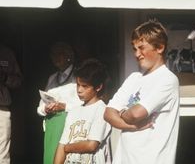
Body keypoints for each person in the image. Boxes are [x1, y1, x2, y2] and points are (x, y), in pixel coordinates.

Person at [104, 19, 180, 164]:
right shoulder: (134, 78)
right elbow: (108, 113)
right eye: (134, 48)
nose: (137, 54)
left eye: (141, 48)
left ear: (160, 48)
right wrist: (131, 125)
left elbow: (136, 113)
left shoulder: (168, 79)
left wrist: (121, 113)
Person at [54, 59, 112, 164]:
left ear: (98, 87)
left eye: (85, 86)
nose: (79, 90)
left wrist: (67, 148)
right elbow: (61, 145)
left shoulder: (102, 109)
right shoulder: (73, 111)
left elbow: (91, 145)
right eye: (78, 85)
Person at [37, 42, 80, 164]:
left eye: (59, 54)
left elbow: (84, 101)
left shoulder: (78, 75)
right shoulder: (52, 78)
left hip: (69, 123)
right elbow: (40, 105)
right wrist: (45, 109)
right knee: (51, 158)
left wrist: (64, 106)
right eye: (53, 55)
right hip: (52, 124)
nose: (55, 57)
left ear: (69, 56)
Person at [0, 44, 22, 164]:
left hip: (1, 109)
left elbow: (18, 81)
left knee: (2, 154)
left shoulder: (6, 53)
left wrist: (4, 77)